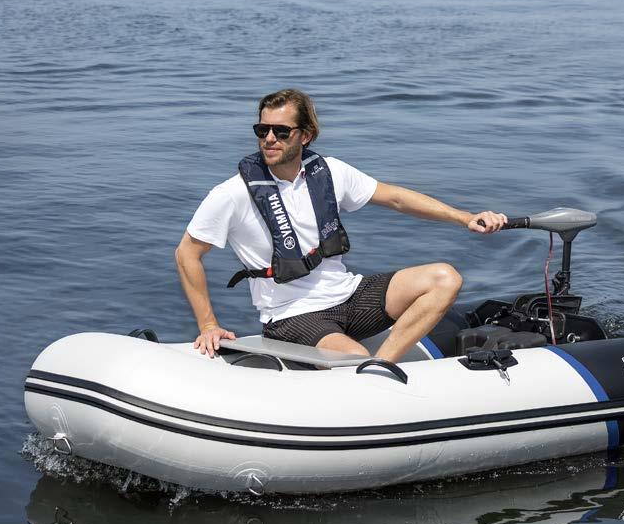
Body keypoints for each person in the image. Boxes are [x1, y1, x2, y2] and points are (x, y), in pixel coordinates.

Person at [176, 88, 507, 362]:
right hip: (292, 314)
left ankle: (380, 366)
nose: (270, 139)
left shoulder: (330, 172)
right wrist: (208, 325)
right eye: (262, 131)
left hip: (349, 295)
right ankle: (365, 370)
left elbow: (395, 198)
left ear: (306, 135)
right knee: (352, 357)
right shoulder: (232, 193)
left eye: (281, 131)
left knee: (445, 278)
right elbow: (187, 254)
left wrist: (465, 217)